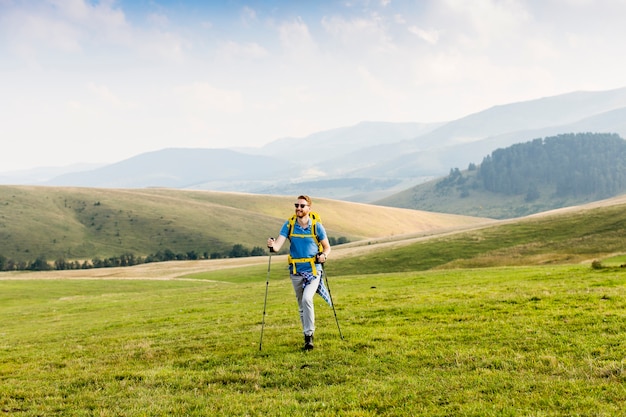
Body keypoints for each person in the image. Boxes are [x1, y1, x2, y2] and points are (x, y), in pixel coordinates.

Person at [267, 195, 331, 350]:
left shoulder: (317, 226)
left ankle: (309, 335)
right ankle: (306, 337)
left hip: (314, 270)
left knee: (307, 299)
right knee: (301, 305)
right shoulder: (289, 225)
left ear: (309, 208)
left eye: (302, 206)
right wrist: (271, 245)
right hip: (296, 271)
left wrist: (323, 256)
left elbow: (327, 247)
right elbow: (277, 247)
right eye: (297, 205)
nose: (298, 208)